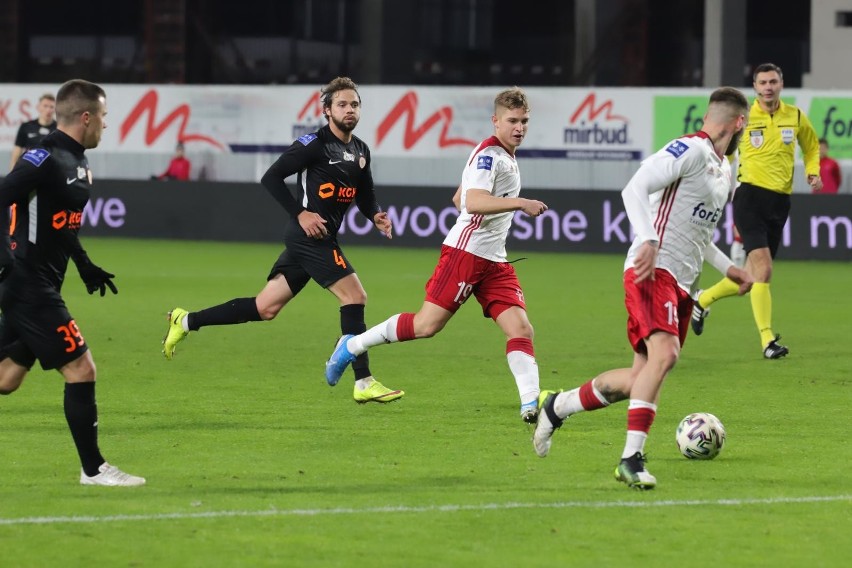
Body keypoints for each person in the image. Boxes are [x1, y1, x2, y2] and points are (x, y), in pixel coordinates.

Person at [532, 87, 753, 490]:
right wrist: (648, 238)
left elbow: (699, 233)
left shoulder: (724, 170)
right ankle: (630, 458)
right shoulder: (688, 149)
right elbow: (633, 187)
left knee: (639, 379)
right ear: (739, 122)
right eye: (746, 124)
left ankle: (558, 406)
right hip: (653, 271)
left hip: (683, 285)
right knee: (664, 356)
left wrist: (729, 268)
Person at [162, 77, 403, 404]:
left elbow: (365, 193)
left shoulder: (360, 150)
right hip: (308, 236)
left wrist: (375, 214)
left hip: (319, 237)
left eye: (355, 104)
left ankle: (185, 320)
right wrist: (300, 213)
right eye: (342, 104)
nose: (349, 110)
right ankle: (363, 381)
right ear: (327, 110)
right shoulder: (312, 144)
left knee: (265, 308)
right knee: (355, 296)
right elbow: (271, 177)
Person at [325, 87, 549, 422]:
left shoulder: (501, 156)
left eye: (524, 121)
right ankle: (352, 346)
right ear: (496, 121)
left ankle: (530, 405)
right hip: (466, 255)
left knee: (521, 329)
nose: (519, 127)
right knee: (426, 325)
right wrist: (521, 203)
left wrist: (487, 216)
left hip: (494, 261)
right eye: (512, 120)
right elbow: (472, 202)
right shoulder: (491, 156)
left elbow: (459, 198)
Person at [0, 79, 144, 486]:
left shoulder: (78, 162)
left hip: (41, 280)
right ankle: (94, 469)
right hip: (28, 283)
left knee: (6, 379)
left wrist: (84, 264)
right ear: (86, 117)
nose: (105, 124)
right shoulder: (43, 156)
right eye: (103, 116)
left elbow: (63, 226)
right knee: (81, 367)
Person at [691, 63, 822, 359]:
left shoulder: (796, 116)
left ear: (781, 83)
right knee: (764, 270)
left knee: (752, 278)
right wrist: (716, 185)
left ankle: (703, 300)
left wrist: (812, 171)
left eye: (773, 81)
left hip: (780, 202)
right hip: (749, 197)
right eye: (763, 82)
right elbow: (723, 152)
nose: (768, 87)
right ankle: (767, 341)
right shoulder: (744, 119)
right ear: (755, 87)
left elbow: (811, 147)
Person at [9, 93, 57, 171]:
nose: (48, 110)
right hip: (29, 169)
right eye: (45, 106)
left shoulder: (58, 129)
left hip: (51, 171)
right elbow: (16, 155)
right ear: (38, 107)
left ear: (55, 110)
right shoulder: (26, 127)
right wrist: (12, 175)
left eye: (51, 107)